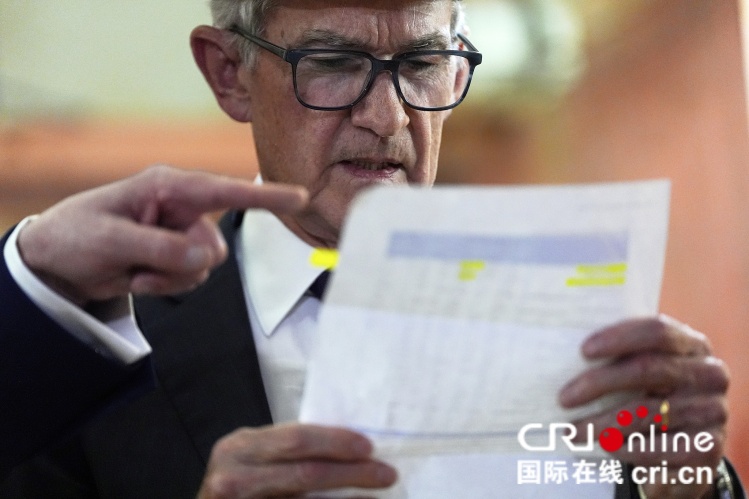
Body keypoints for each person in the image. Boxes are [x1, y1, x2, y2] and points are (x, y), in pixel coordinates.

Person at [0, 0, 740, 497]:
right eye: (332, 62)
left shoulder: (574, 319)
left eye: (421, 64)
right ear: (230, 74)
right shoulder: (87, 353)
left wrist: (686, 483)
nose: (386, 118)